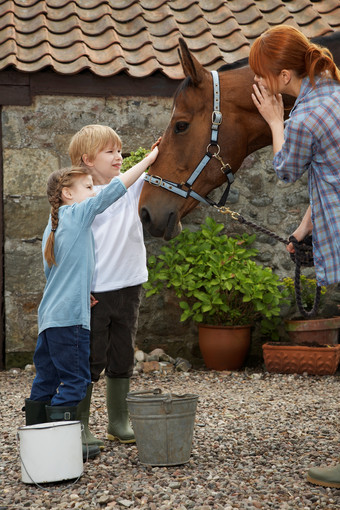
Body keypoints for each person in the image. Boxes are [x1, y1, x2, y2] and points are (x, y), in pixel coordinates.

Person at [249, 25, 340, 487]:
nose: (258, 84)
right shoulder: (335, 93)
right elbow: (330, 175)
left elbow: (286, 171)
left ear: (284, 76)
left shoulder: (305, 117)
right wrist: (304, 229)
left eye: (262, 76)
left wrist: (274, 120)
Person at [24, 146, 158, 460]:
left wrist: (80, 288)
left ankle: (36, 443)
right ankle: (63, 447)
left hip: (50, 318)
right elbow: (110, 193)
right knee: (76, 379)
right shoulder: (79, 213)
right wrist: (149, 160)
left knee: (46, 378)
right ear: (68, 194)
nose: (92, 191)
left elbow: (56, 270)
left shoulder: (54, 225)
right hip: (71, 320)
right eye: (86, 187)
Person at [68, 125, 156, 448]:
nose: (119, 157)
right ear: (87, 160)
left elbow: (153, 176)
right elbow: (71, 248)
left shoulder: (134, 186)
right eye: (111, 152)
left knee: (122, 355)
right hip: (95, 293)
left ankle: (118, 422)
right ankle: (80, 425)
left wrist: (157, 154)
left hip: (130, 287)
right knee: (90, 357)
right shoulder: (82, 199)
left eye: (120, 151)